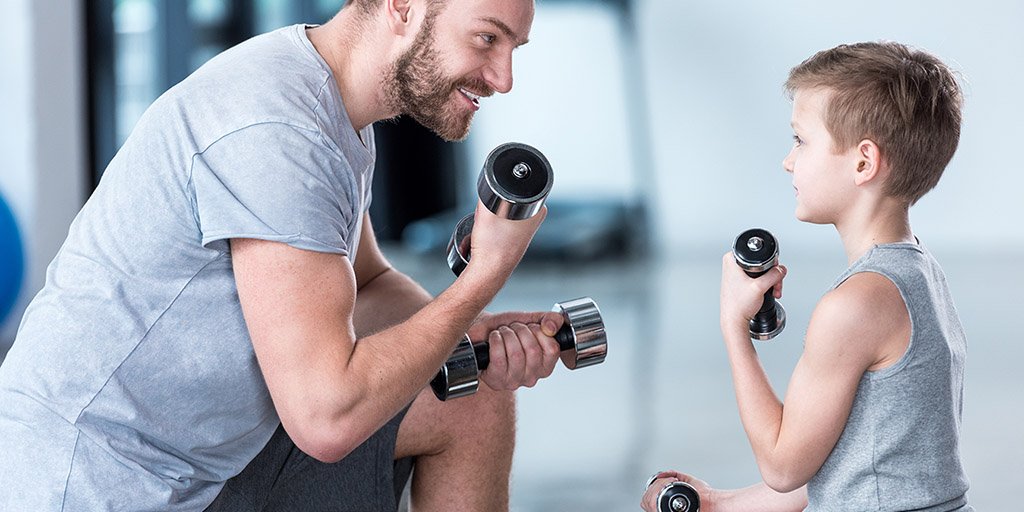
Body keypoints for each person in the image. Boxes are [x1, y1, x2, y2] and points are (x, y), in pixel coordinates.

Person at [0, 0, 567, 510]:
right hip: (106, 485)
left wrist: (457, 332)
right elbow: (326, 418)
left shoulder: (333, 102)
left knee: (471, 400)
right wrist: (482, 279)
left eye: (513, 48)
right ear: (403, 7)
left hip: (208, 468)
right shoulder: (279, 130)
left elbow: (369, 284)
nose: (504, 78)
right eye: (487, 39)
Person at [642, 41, 971, 511]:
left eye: (801, 140)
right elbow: (848, 457)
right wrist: (717, 504)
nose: (788, 160)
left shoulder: (854, 306)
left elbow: (783, 467)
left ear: (863, 162)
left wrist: (734, 329)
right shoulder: (920, 276)